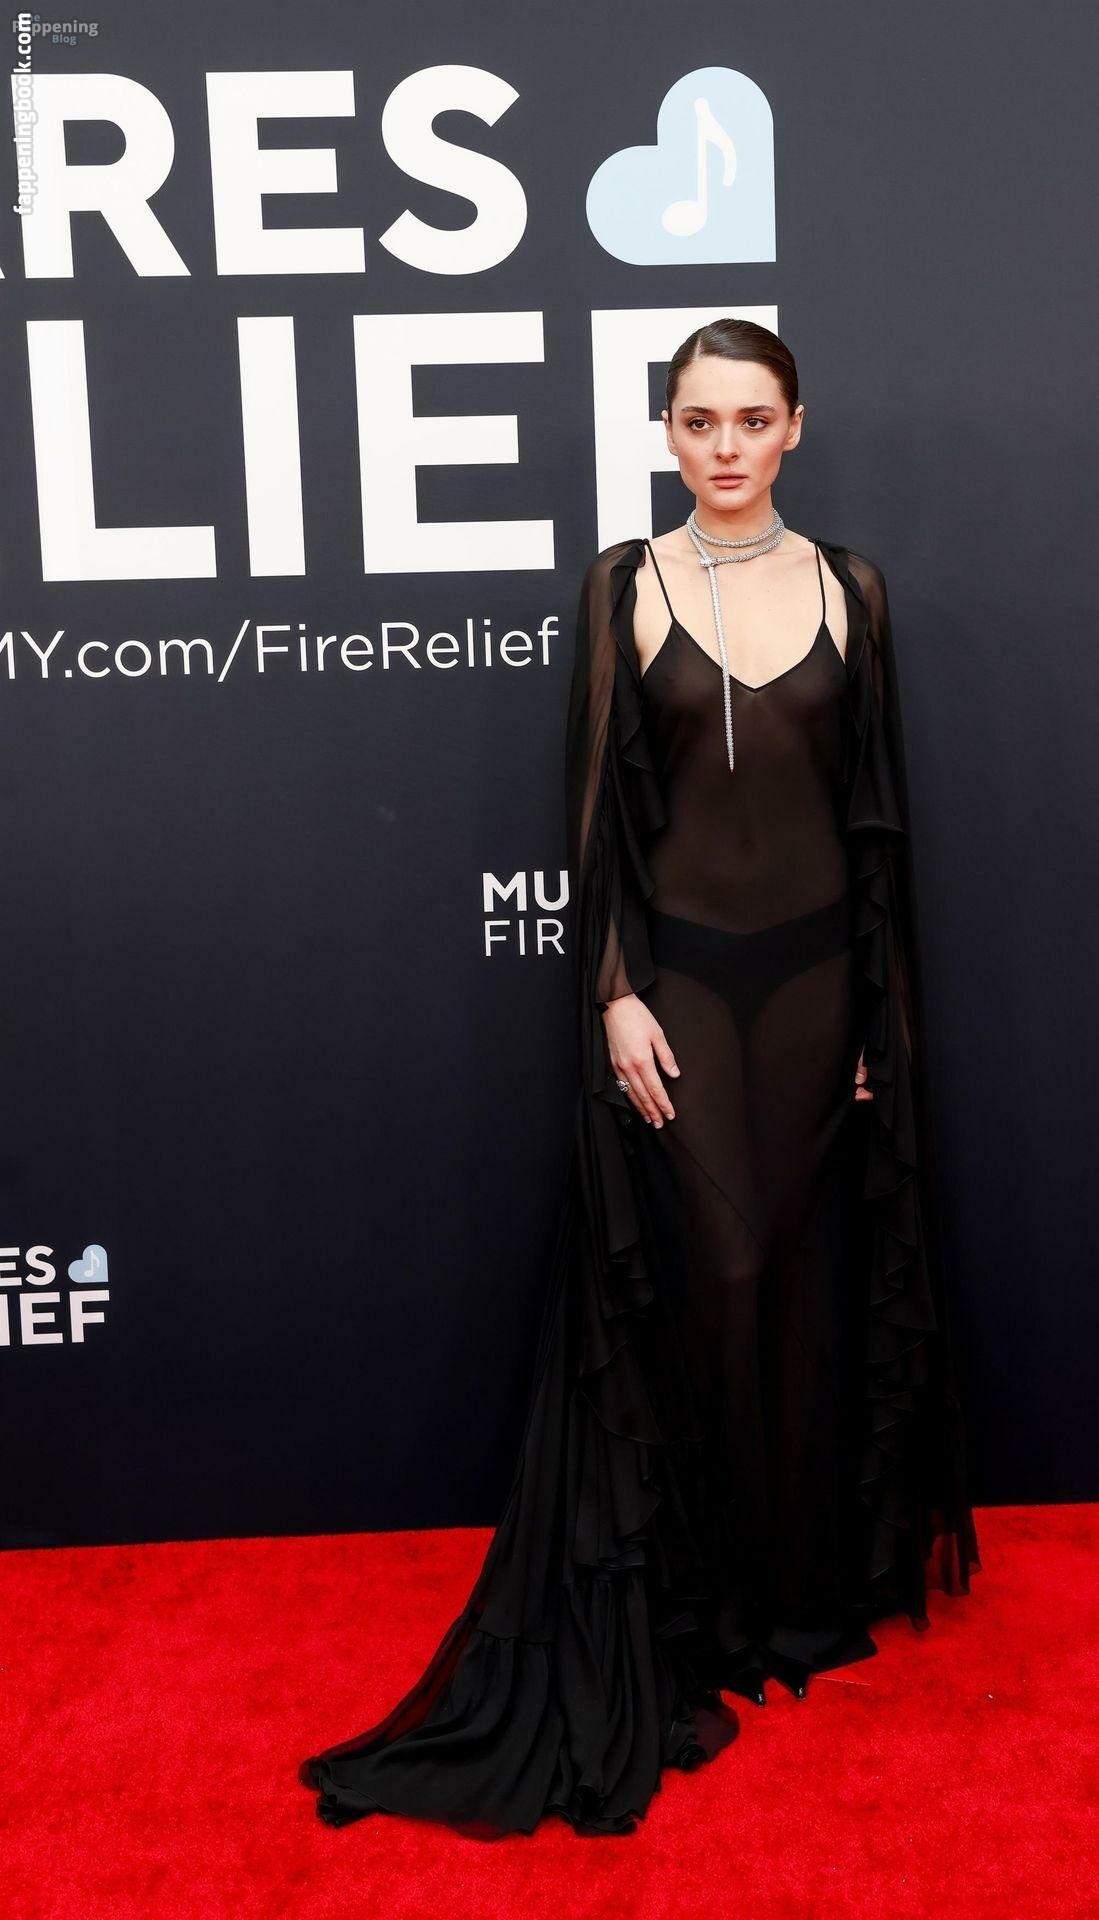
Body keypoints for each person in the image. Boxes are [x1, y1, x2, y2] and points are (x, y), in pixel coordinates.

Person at [298, 317, 981, 1840]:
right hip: (680, 992)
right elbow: (595, 820)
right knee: (714, 1274)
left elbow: (878, 831)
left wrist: (880, 1022)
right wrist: (611, 993)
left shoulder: (855, 591)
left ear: (795, 426)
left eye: (752, 418)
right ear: (667, 431)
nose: (726, 446)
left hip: (819, 986)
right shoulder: (621, 589)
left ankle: (804, 1592)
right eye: (699, 419)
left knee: (807, 1277)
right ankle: (708, 1601)